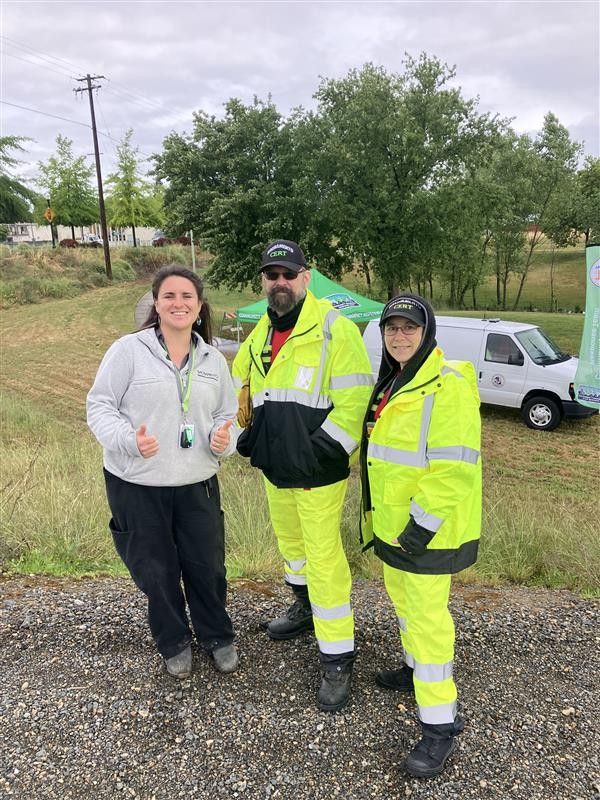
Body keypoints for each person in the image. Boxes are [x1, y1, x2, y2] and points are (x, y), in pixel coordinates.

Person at [232, 239, 374, 712]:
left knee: (322, 556)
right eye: (272, 276)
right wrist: (246, 432)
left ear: (305, 278)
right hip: (276, 470)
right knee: (290, 545)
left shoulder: (336, 330)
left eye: (288, 275)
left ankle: (337, 655)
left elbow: (355, 403)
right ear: (264, 282)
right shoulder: (258, 334)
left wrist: (320, 452)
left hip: (316, 473)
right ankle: (304, 606)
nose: (280, 283)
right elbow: (243, 384)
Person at [87, 264, 239, 679]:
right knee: (157, 569)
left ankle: (217, 635)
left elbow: (228, 415)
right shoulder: (128, 350)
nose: (178, 303)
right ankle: (172, 640)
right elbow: (99, 405)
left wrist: (226, 439)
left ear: (199, 306)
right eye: (169, 296)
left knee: (207, 567)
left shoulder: (212, 359)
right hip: (137, 483)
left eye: (187, 296)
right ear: (156, 303)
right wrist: (128, 440)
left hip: (197, 483)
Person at [359, 293, 482, 778]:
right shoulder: (393, 380)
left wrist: (420, 526)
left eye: (410, 327)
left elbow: (454, 468)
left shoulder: (446, 383)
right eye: (392, 327)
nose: (400, 335)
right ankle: (412, 671)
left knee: (429, 623)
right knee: (404, 603)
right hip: (393, 527)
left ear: (427, 332)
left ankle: (440, 726)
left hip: (425, 531)